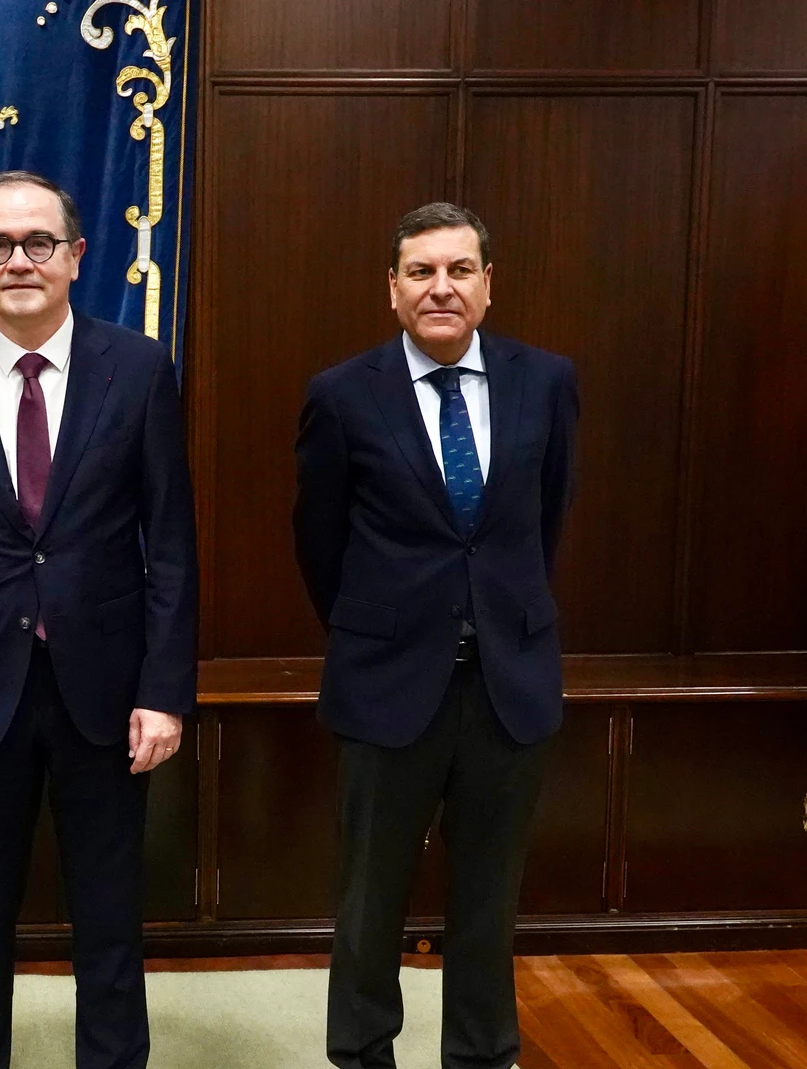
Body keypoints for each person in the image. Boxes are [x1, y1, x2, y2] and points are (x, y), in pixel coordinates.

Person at [0, 170, 199, 1069]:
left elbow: (170, 546)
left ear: (75, 255)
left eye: (37, 243)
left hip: (106, 693)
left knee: (109, 919)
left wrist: (165, 693)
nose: (18, 260)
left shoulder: (136, 370)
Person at [293, 202, 578, 1069]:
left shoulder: (548, 381)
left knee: (488, 902)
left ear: (489, 285)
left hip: (507, 683)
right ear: (393, 290)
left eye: (460, 269)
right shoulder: (342, 395)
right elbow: (319, 542)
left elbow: (547, 516)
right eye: (421, 271)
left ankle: (484, 1056)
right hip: (388, 684)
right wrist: (383, 629)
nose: (441, 287)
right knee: (370, 901)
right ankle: (363, 1053)